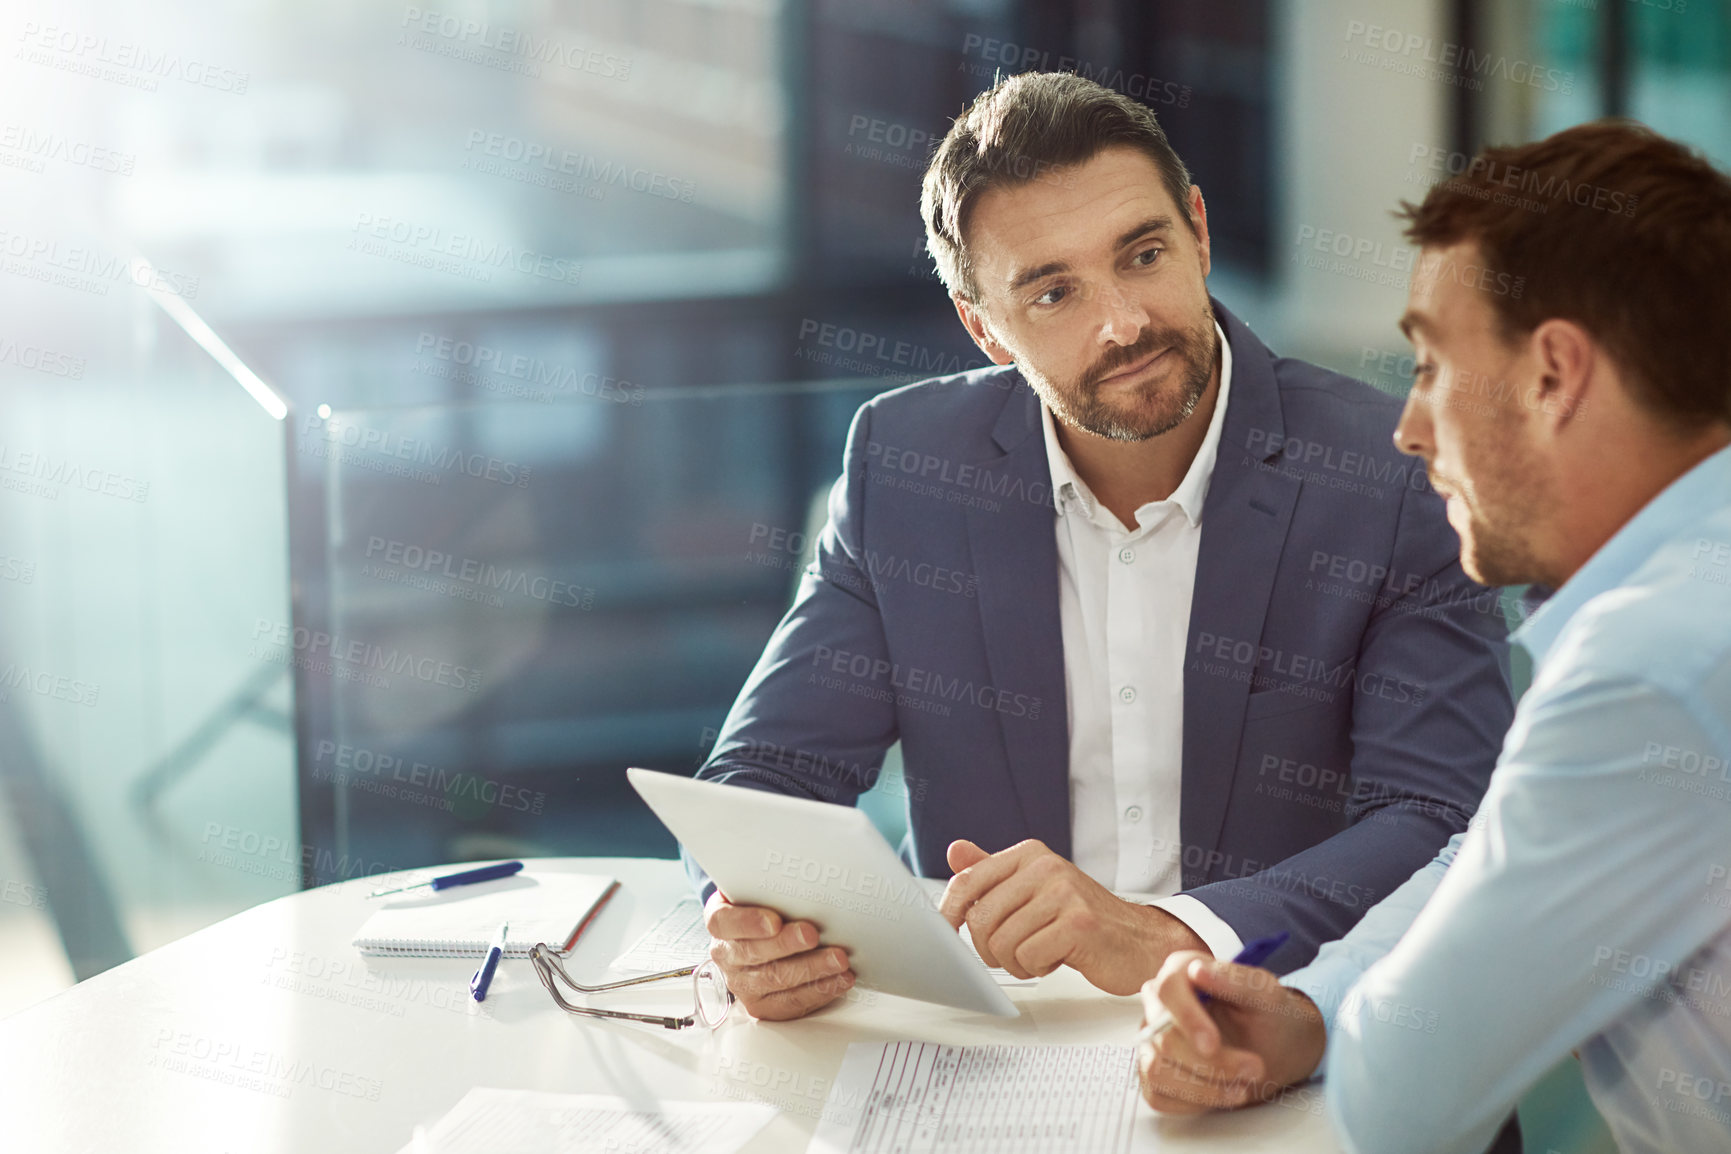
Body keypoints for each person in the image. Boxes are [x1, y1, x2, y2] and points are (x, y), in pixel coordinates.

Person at [693, 71, 1513, 1026]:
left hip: (1297, 1019)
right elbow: (767, 780)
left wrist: (1171, 934)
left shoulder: (1390, 473)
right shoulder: (905, 467)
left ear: (1198, 233)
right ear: (982, 327)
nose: (1123, 324)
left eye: (1143, 254)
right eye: (1052, 293)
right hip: (1002, 1046)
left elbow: (1437, 819)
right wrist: (749, 921)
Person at [1136, 119, 1731, 1154]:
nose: (1409, 429)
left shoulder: (1645, 669)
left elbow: (1403, 1096)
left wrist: (1347, 1029)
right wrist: (1317, 1003)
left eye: (1429, 363)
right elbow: (1495, 851)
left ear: (1553, 373)